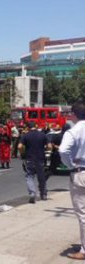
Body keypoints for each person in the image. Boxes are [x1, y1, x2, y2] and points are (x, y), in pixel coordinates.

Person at [59, 100, 85, 260]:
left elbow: (63, 150)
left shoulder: (74, 131)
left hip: (80, 173)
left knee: (82, 213)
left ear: (74, 114)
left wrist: (70, 165)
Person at [18, 121, 51, 204]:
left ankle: (32, 193)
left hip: (29, 159)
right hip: (40, 159)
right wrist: (46, 151)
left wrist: (22, 153)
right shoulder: (43, 135)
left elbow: (19, 146)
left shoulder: (25, 136)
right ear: (36, 126)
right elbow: (49, 146)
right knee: (41, 177)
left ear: (28, 127)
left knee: (29, 176)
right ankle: (43, 194)